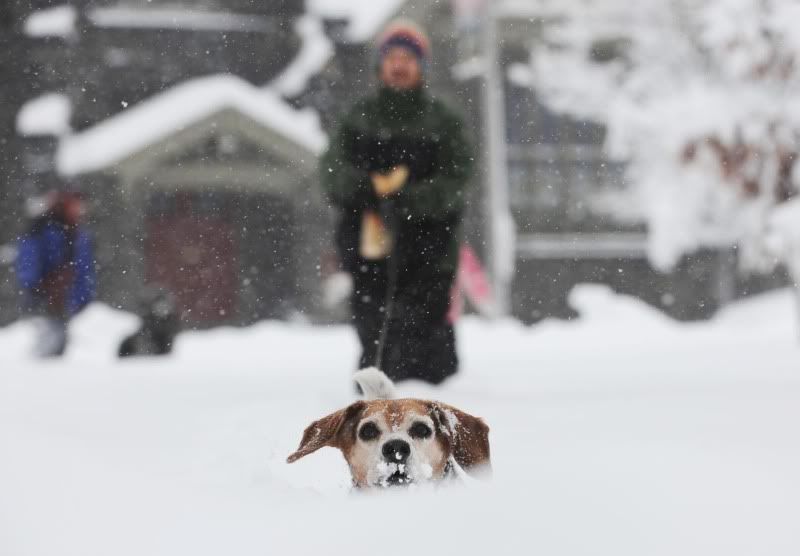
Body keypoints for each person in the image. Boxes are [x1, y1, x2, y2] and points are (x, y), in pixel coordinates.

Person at [320, 20, 473, 384]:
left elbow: (458, 178)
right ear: (380, 64)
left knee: (425, 326)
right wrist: (366, 191)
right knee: (373, 322)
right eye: (393, 57)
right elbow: (331, 173)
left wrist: (413, 202)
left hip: (430, 250)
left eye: (408, 57)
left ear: (422, 65)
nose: (400, 65)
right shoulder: (357, 118)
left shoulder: (444, 121)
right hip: (367, 247)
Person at [16, 191, 96, 357]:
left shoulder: (78, 233)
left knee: (64, 344)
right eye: (75, 205)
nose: (79, 210)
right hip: (49, 298)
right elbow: (28, 259)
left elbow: (84, 270)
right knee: (49, 342)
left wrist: (84, 298)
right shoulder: (42, 229)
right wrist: (34, 288)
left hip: (68, 300)